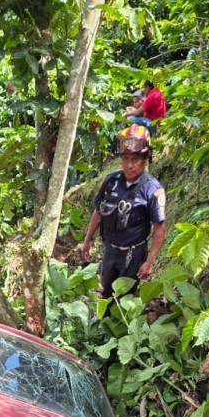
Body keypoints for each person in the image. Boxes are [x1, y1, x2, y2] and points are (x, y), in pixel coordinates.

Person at [81, 124, 167, 302]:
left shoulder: (152, 189)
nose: (129, 165)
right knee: (106, 291)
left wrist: (149, 262)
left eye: (135, 159)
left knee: (125, 298)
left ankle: (122, 328)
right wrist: (87, 240)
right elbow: (98, 211)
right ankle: (104, 326)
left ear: (145, 160)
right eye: (125, 159)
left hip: (133, 253)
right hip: (110, 249)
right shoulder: (111, 181)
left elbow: (159, 228)